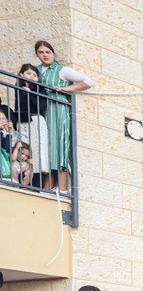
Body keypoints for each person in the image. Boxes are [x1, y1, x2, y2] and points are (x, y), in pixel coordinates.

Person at [34, 41, 92, 191]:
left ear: (54, 54)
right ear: (37, 54)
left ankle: (62, 188)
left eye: (48, 52)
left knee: (59, 147)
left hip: (59, 110)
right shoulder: (37, 71)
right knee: (47, 148)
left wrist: (65, 88)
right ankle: (47, 188)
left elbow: (88, 82)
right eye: (41, 52)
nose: (45, 55)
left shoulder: (62, 70)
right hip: (44, 111)